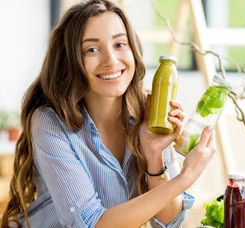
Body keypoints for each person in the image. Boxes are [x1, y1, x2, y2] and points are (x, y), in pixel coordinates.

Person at [0, 0, 216, 227]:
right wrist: (184, 178)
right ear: (70, 61)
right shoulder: (51, 122)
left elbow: (169, 221)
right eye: (92, 49)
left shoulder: (149, 114)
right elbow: (91, 223)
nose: (111, 61)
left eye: (120, 44)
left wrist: (154, 156)